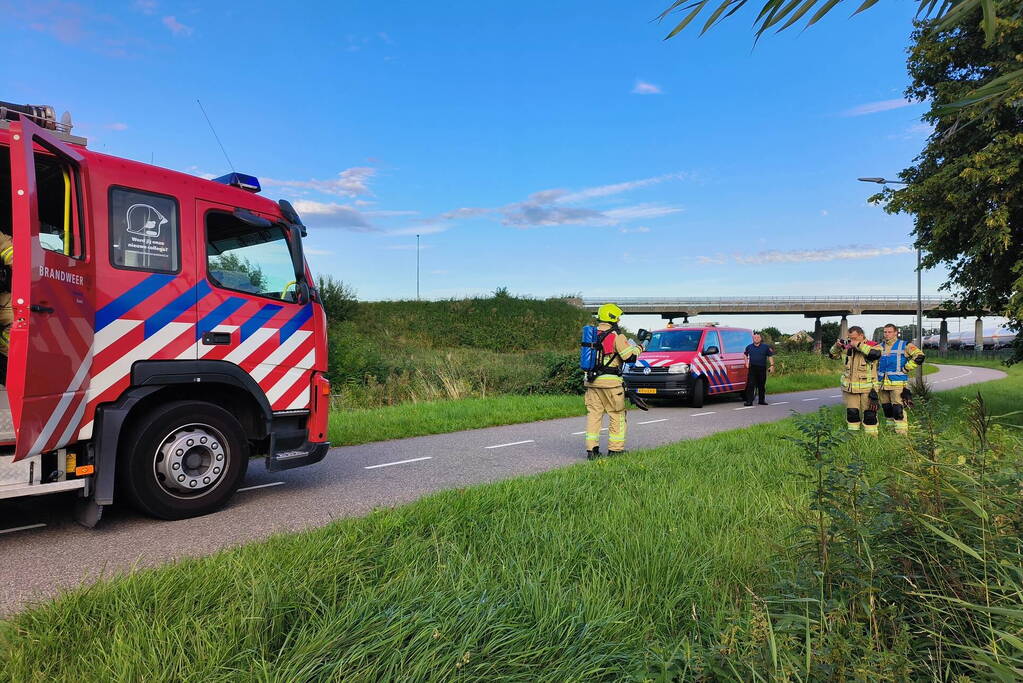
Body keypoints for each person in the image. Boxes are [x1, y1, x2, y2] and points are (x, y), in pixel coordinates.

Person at [584, 303, 642, 459]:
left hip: (592, 382)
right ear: (613, 318)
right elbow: (629, 358)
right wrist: (639, 347)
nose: (619, 320)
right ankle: (615, 450)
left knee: (594, 415)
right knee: (617, 415)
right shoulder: (617, 336)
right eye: (618, 317)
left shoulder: (591, 335)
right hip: (611, 384)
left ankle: (592, 450)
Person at [828, 325, 882, 436]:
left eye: (854, 338)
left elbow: (875, 354)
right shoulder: (847, 347)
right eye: (850, 338)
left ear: (861, 336)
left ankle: (872, 438)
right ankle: (853, 437)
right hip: (850, 389)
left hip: (868, 389)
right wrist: (837, 346)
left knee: (870, 415)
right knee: (852, 414)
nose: (851, 341)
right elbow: (832, 355)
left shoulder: (873, 345)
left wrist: (857, 345)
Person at [877, 323, 925, 435]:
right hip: (882, 383)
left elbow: (920, 356)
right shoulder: (880, 346)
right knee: (887, 409)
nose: (887, 334)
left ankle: (901, 434)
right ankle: (890, 432)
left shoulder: (904, 345)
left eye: (889, 332)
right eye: (885, 332)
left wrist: (907, 368)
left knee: (898, 409)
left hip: (897, 382)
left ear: (895, 333)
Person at [743, 331, 775, 406]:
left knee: (761, 385)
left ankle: (761, 400)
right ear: (753, 339)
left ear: (760, 338)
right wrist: (746, 363)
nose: (756, 339)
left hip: (762, 368)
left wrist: (772, 365)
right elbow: (744, 355)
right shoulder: (749, 347)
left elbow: (770, 356)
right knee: (751, 385)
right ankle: (749, 401)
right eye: (755, 338)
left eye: (758, 337)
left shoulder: (765, 347)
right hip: (752, 368)